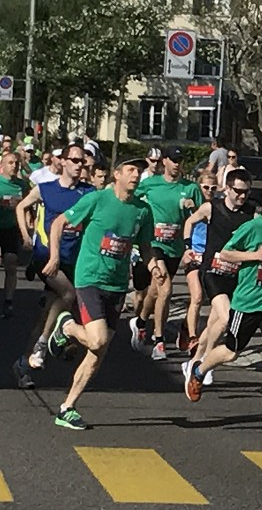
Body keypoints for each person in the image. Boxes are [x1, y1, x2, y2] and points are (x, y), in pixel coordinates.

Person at [44, 158, 165, 429]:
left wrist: (154, 265)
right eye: (131, 170)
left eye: (139, 171)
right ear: (117, 174)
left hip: (117, 285)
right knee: (97, 340)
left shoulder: (142, 210)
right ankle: (67, 327)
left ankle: (67, 408)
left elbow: (145, 246)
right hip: (90, 279)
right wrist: (54, 256)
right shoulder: (97, 200)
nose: (136, 175)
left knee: (98, 353)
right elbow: (59, 222)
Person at [184, 179, 262, 432]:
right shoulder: (252, 227)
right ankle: (200, 370)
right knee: (231, 352)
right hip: (247, 303)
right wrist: (254, 256)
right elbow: (225, 253)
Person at [10, 144, 94, 387]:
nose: (79, 165)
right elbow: (21, 206)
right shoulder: (46, 189)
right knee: (68, 294)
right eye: (75, 161)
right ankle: (43, 344)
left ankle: (23, 365)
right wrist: (26, 236)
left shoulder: (88, 193)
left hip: (73, 260)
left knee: (48, 313)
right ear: (63, 162)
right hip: (46, 257)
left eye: (82, 162)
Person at [183, 169, 256, 386]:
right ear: (227, 189)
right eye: (238, 191)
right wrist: (187, 247)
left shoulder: (251, 212)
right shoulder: (211, 208)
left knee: (214, 323)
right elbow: (190, 222)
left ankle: (193, 362)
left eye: (246, 192)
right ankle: (203, 361)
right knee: (225, 320)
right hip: (212, 271)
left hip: (235, 274)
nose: (242, 196)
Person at [132, 146, 203, 359]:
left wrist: (193, 209)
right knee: (166, 289)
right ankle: (159, 342)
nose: (177, 164)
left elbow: (204, 214)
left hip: (175, 247)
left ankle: (140, 322)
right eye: (173, 160)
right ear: (164, 161)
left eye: (180, 160)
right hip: (153, 244)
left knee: (155, 292)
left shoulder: (191, 188)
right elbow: (130, 198)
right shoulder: (150, 184)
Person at [179, 171, 216, 351]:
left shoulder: (219, 206)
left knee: (213, 300)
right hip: (195, 254)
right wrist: (188, 247)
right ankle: (193, 338)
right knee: (197, 296)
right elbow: (188, 223)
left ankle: (187, 326)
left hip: (211, 257)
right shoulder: (194, 203)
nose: (209, 191)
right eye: (206, 187)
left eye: (213, 188)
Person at [0, 151, 27, 318]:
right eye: (10, 163)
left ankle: (8, 301)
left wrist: (27, 232)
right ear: (2, 165)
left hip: (11, 229)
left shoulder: (21, 186)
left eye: (16, 163)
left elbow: (28, 207)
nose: (14, 166)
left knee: (11, 264)